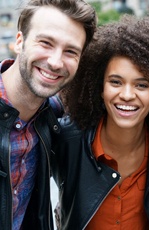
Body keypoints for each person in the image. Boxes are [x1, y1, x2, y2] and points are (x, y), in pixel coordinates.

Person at [50, 14, 149, 230]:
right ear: (100, 88)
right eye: (115, 82)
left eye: (141, 85)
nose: (126, 95)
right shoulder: (67, 139)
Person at [0, 0, 97, 229]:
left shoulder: (53, 117)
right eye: (45, 43)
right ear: (20, 41)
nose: (55, 62)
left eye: (71, 51)